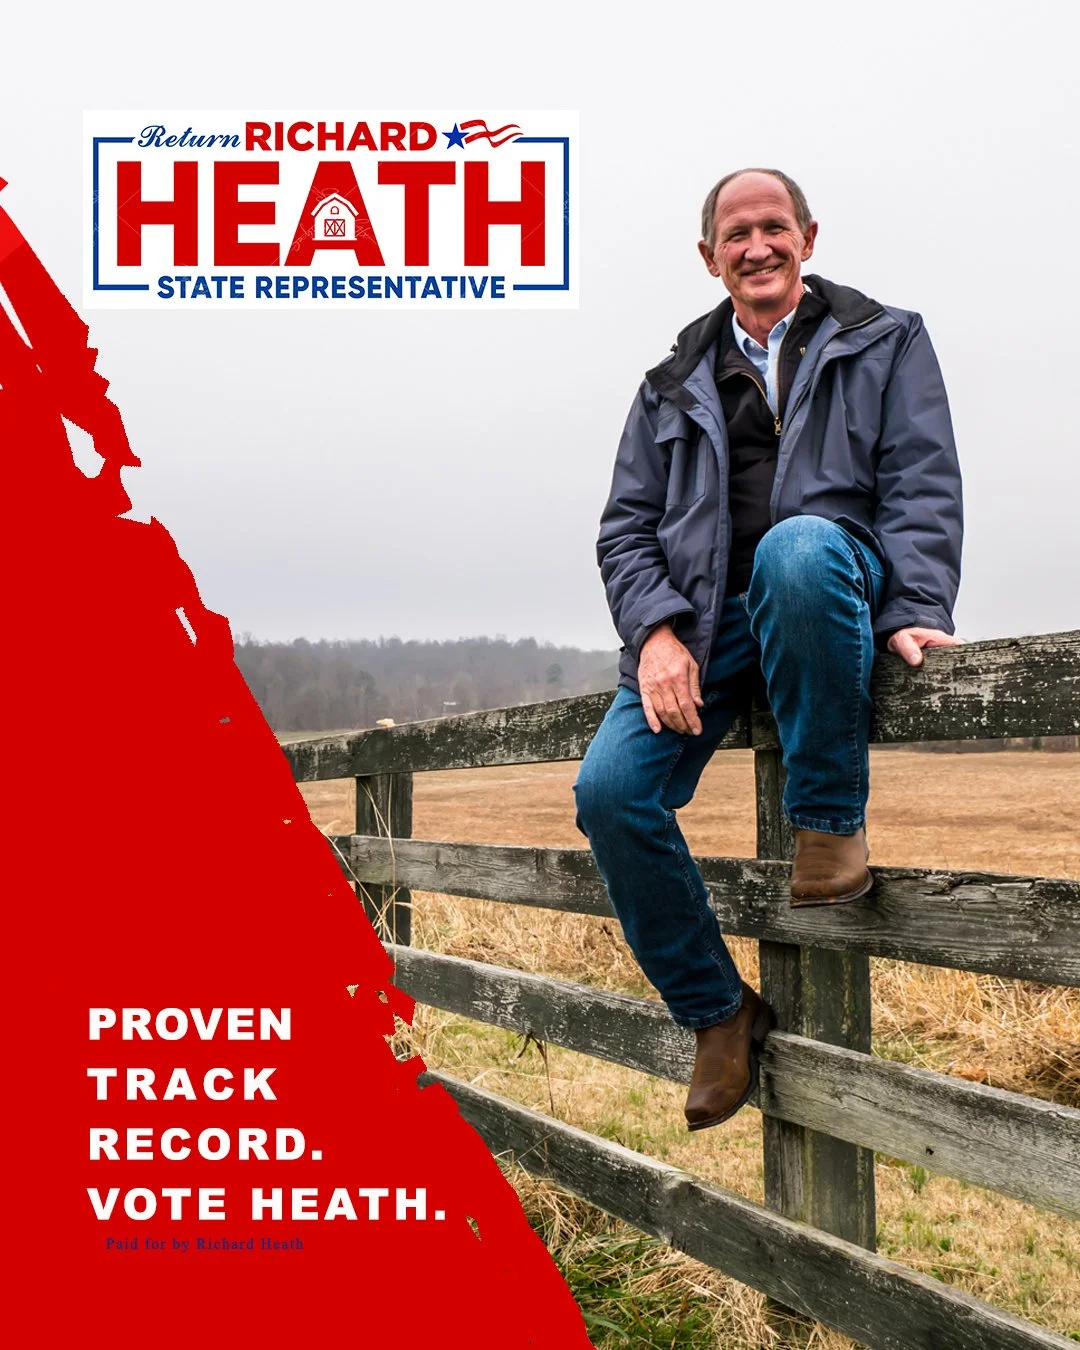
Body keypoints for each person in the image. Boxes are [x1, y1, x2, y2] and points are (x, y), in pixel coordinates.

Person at [573, 168, 963, 1132]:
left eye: (774, 227)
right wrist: (656, 630)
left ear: (809, 237)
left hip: (829, 578)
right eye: (736, 234)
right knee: (611, 795)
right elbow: (625, 527)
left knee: (797, 545)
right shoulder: (668, 385)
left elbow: (921, 475)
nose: (758, 246)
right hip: (703, 621)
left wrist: (916, 601)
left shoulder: (887, 338)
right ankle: (718, 1010)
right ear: (710, 258)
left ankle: (828, 826)